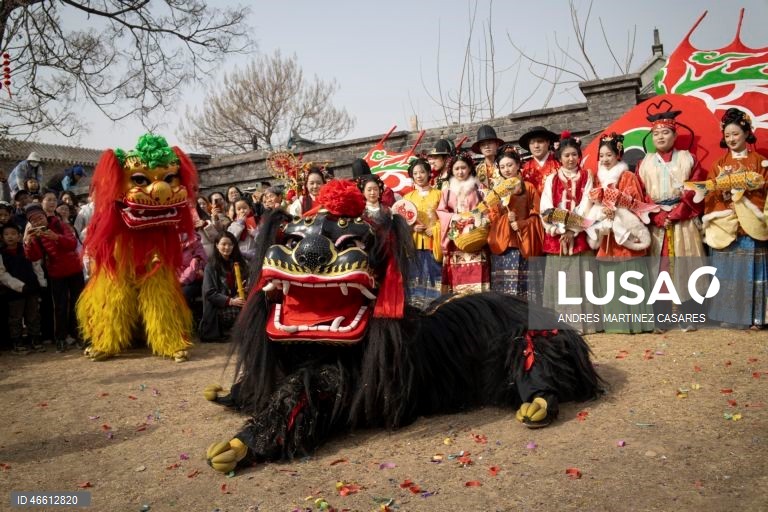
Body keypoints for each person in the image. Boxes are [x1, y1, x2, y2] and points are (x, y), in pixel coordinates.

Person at [636, 108, 707, 332]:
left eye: (666, 132)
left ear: (675, 135)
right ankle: (662, 318)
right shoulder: (644, 163)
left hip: (683, 220)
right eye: (656, 133)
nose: (660, 137)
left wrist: (676, 213)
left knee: (688, 267)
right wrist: (657, 215)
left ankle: (690, 316)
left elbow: (696, 188)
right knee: (660, 269)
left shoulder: (688, 159)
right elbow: (640, 195)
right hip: (657, 223)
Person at [702, 108, 768, 329]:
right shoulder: (718, 164)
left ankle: (755, 317)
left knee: (752, 270)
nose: (731, 139)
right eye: (727, 135)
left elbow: (765, 191)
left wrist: (747, 196)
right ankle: (729, 315)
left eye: (736, 134)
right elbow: (710, 192)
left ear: (747, 132)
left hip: (751, 223)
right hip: (727, 223)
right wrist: (724, 196)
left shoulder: (760, 162)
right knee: (727, 270)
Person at [588, 133, 654, 334]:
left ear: (618, 154)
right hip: (607, 232)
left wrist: (615, 208)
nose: (605, 159)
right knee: (612, 279)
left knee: (630, 276)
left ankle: (637, 322)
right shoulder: (596, 178)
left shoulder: (628, 176)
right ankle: (615, 322)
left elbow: (634, 202)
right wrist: (601, 211)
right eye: (601, 155)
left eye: (609, 154)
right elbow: (592, 203)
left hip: (625, 230)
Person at [540, 132, 601, 334]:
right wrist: (560, 229)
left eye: (574, 154)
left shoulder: (587, 177)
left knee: (581, 278)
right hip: (557, 235)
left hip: (580, 233)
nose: (570, 159)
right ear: (559, 157)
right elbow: (546, 208)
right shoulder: (551, 180)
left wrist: (573, 230)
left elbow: (586, 204)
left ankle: (585, 323)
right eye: (566, 155)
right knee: (561, 279)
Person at [23, 202, 85, 351]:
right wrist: (29, 243)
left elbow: (71, 244)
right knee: (60, 306)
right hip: (56, 273)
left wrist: (55, 237)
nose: (38, 222)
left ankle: (80, 335)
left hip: (74, 269)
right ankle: (61, 338)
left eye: (40, 218)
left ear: (45, 216)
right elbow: (34, 257)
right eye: (34, 220)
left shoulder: (60, 225)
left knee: (79, 303)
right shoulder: (36, 236)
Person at [487, 144, 542, 300]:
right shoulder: (497, 190)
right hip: (504, 242)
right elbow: (492, 216)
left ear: (518, 165)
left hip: (524, 241)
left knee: (526, 290)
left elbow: (537, 215)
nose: (507, 169)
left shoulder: (529, 188)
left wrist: (522, 223)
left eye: (510, 165)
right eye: (502, 167)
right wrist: (505, 218)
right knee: (504, 291)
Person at [436, 152, 490, 294]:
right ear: (452, 171)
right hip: (456, 239)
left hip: (476, 235)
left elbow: (488, 208)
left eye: (463, 168)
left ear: (470, 168)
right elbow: (441, 211)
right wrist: (453, 217)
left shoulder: (480, 189)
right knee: (457, 279)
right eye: (457, 169)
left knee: (478, 281)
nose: (460, 172)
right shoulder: (447, 191)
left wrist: (476, 219)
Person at [403, 158, 442, 309]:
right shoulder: (407, 198)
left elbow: (446, 218)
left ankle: (436, 309)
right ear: (412, 176)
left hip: (434, 244)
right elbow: (402, 223)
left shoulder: (439, 194)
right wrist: (411, 228)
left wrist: (436, 228)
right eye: (415, 173)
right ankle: (416, 310)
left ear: (428, 173)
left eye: (422, 172)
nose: (419, 176)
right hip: (414, 245)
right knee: (415, 279)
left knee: (436, 278)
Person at [2, 223, 45, 354]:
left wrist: (41, 283)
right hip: (14, 291)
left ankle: (35, 339)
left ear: (19, 236)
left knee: (33, 315)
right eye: (6, 234)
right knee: (16, 317)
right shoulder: (2, 254)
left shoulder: (26, 249)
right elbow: (2, 274)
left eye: (13, 234)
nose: (10, 237)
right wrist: (20, 286)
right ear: (2, 237)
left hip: (32, 287)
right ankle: (17, 342)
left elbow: (36, 266)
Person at [199, 232, 248, 342]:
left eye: (230, 244)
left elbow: (242, 284)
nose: (227, 247)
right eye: (223, 244)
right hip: (218, 309)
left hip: (235, 301)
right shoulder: (210, 266)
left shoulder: (237, 263)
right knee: (243, 312)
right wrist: (231, 301)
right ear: (216, 245)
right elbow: (209, 293)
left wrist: (244, 289)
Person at [519, 126, 561, 195]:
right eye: (532, 143)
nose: (536, 146)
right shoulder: (524, 169)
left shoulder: (559, 163)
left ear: (548, 142)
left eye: (540, 141)